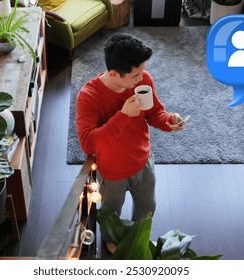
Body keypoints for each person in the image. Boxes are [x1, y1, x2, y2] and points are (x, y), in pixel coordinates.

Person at [75, 33, 186, 253]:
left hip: (144, 162)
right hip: (112, 173)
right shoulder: (89, 96)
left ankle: (137, 239)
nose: (142, 78)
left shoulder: (143, 79)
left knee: (147, 209)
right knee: (110, 215)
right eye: (135, 75)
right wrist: (124, 115)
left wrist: (168, 121)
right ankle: (111, 243)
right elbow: (88, 144)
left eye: (142, 71)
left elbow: (154, 113)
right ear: (115, 74)